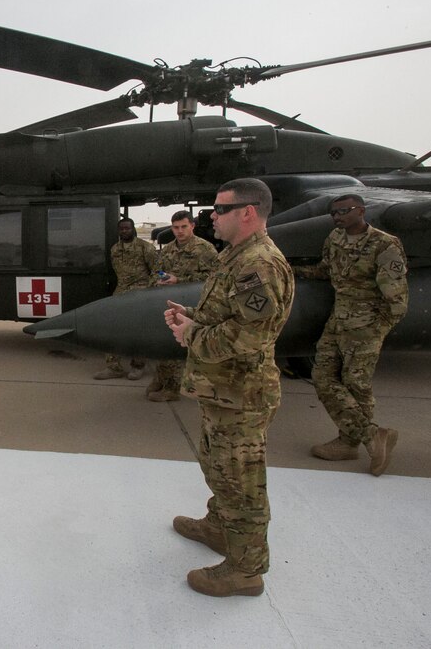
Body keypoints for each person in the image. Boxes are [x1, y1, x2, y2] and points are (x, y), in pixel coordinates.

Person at [164, 178, 294, 598]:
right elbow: (231, 315)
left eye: (219, 210)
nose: (211, 217)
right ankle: (220, 528)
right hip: (224, 389)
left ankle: (246, 570)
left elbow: (250, 336)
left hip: (242, 393)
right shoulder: (236, 257)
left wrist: (192, 337)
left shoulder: (258, 264)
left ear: (248, 213)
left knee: (242, 481)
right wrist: (192, 318)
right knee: (219, 465)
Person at [294, 194, 407, 476]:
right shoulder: (335, 238)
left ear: (361, 211)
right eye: (334, 213)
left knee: (356, 383)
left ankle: (350, 442)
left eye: (344, 211)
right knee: (322, 377)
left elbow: (397, 299)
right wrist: (293, 270)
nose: (338, 216)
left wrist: (376, 328)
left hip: (366, 325)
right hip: (339, 319)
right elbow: (325, 270)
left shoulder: (384, 244)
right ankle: (371, 436)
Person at [146, 210, 219, 402]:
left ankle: (173, 387)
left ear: (192, 226)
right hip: (168, 302)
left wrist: (179, 279)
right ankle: (161, 379)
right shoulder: (168, 249)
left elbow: (214, 280)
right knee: (163, 341)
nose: (179, 231)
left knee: (178, 346)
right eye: (176, 227)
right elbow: (156, 272)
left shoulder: (206, 249)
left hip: (191, 305)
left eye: (183, 227)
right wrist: (159, 281)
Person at [93, 217, 161, 380]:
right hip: (121, 293)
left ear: (133, 229)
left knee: (138, 331)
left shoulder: (146, 248)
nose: (124, 231)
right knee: (111, 329)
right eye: (122, 229)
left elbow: (158, 272)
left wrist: (149, 292)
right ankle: (113, 367)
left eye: (127, 228)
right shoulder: (115, 249)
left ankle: (138, 366)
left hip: (141, 295)